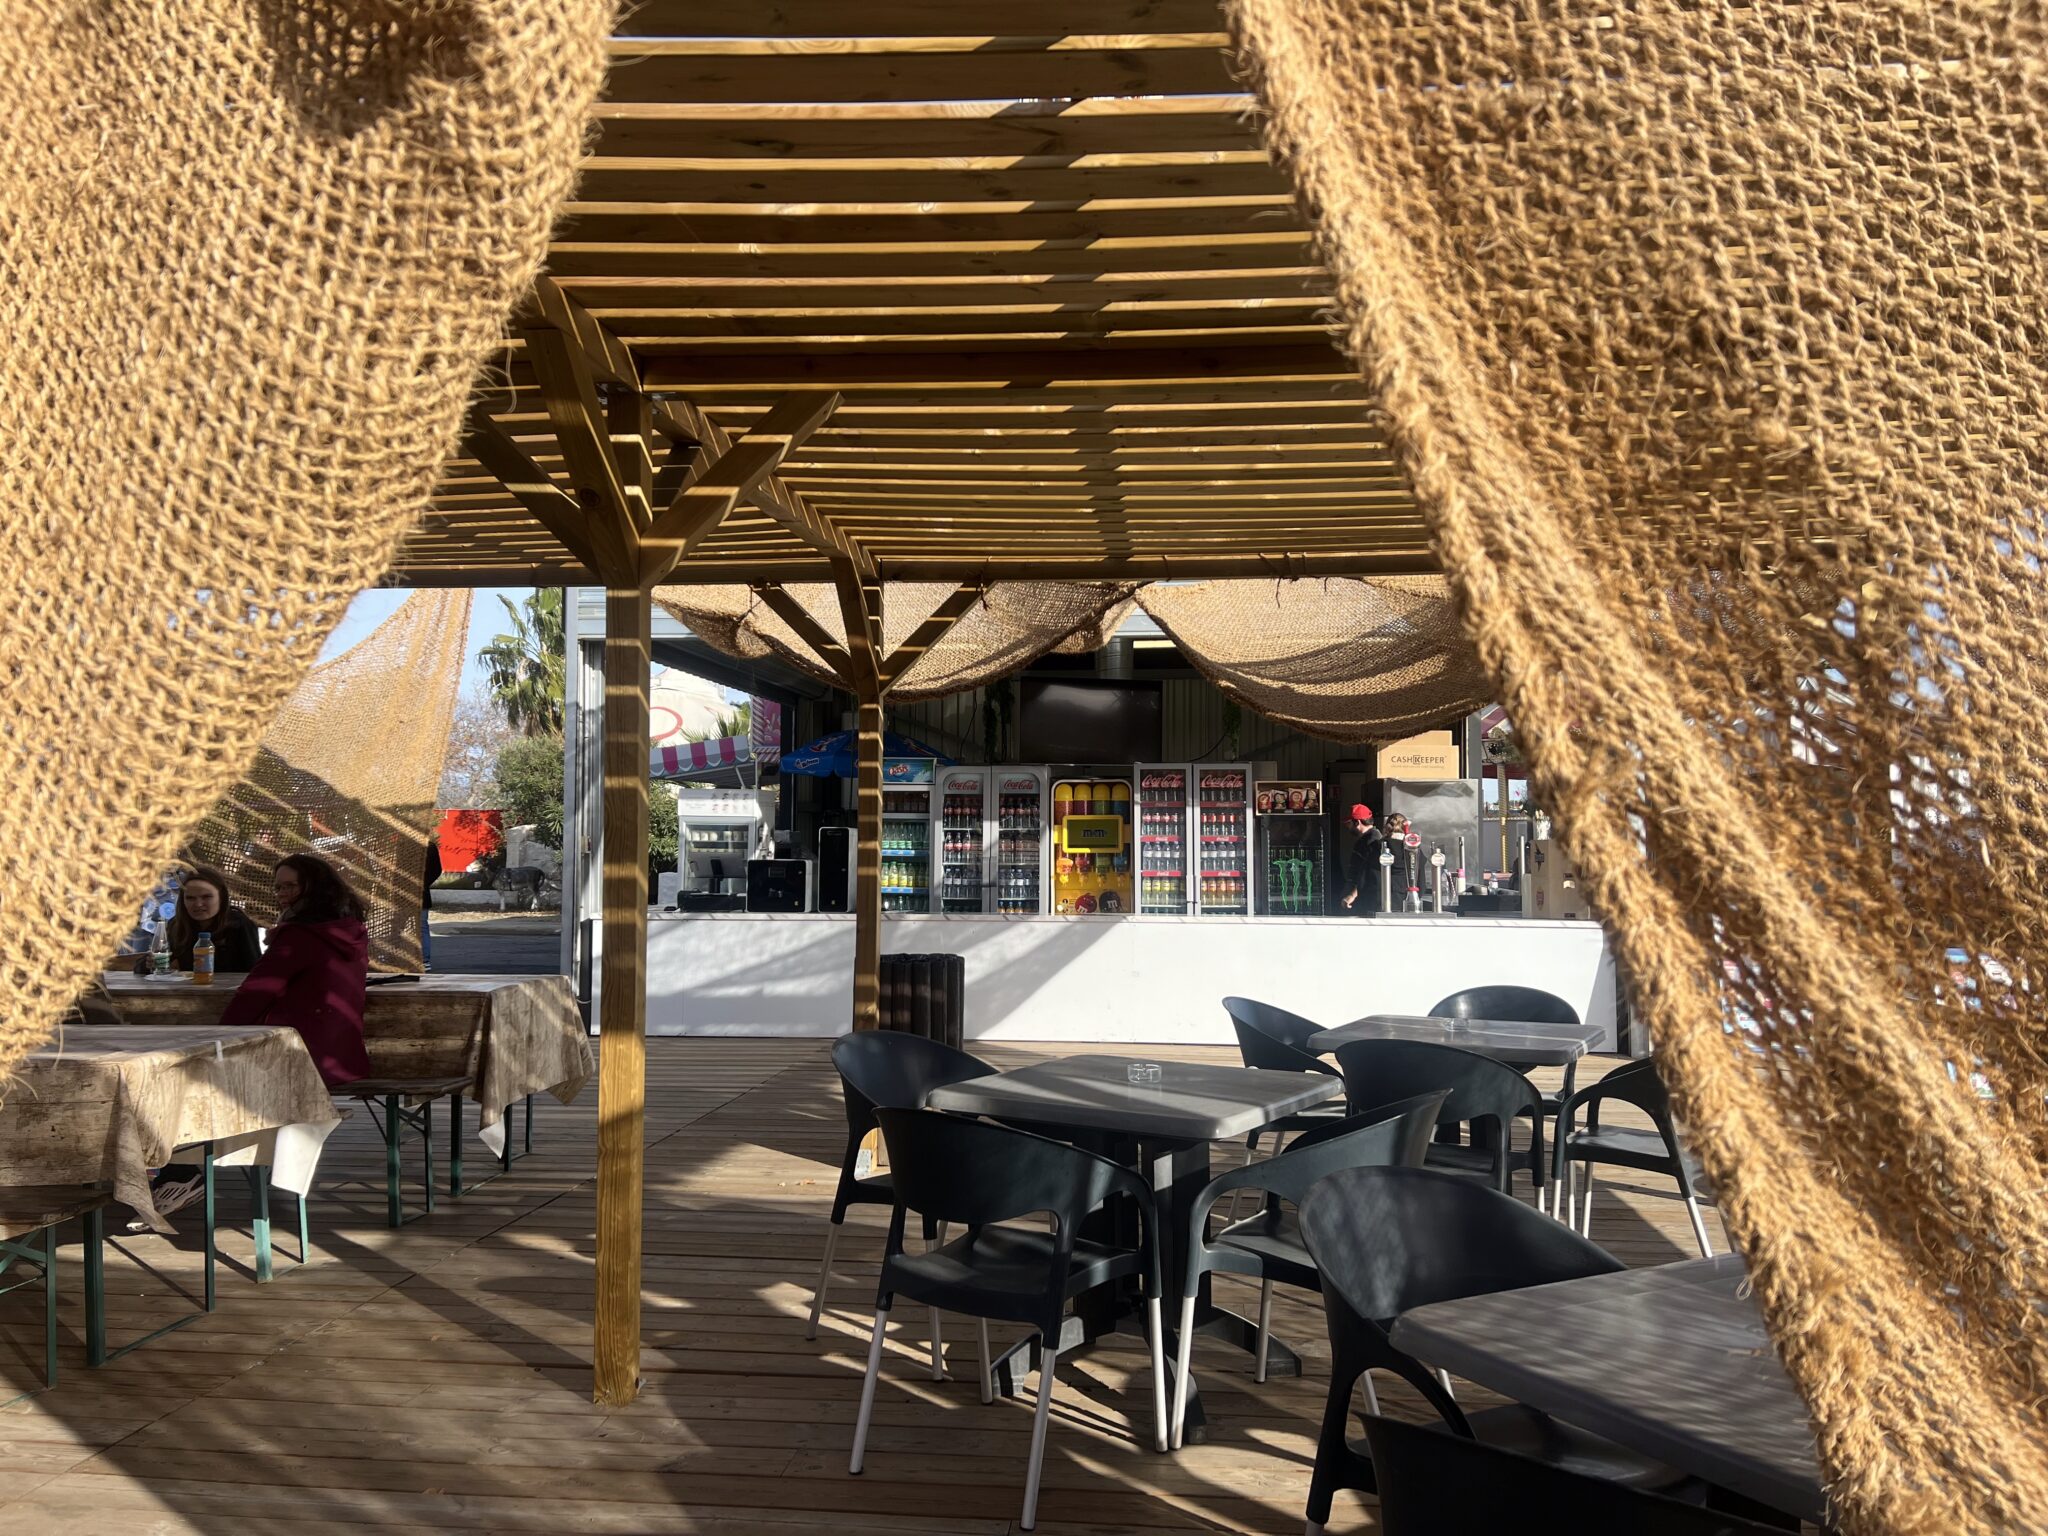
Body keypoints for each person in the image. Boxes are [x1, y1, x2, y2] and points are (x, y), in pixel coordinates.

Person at [220, 853, 373, 1087]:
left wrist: (219, 1037)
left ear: (314, 888)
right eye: (278, 887)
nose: (281, 893)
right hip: (343, 1057)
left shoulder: (299, 937)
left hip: (299, 1056)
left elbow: (256, 992)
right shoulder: (351, 930)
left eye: (290, 886)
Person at [165, 865, 263, 972]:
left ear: (221, 897)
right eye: (190, 898)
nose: (198, 904)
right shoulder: (176, 926)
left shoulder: (238, 925)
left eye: (206, 897)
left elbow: (255, 970)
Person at [1339, 804, 1385, 914]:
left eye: (1348, 823)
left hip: (1365, 898)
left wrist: (1352, 895)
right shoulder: (1367, 839)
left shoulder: (1372, 842)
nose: (1347, 827)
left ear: (1357, 822)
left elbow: (1367, 873)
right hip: (1360, 896)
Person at [420, 835, 441, 972]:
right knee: (422, 927)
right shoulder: (430, 846)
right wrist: (425, 883)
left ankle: (395, 955)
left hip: (406, 893)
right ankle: (425, 960)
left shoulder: (405, 845)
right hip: (422, 893)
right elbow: (437, 870)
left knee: (397, 926)